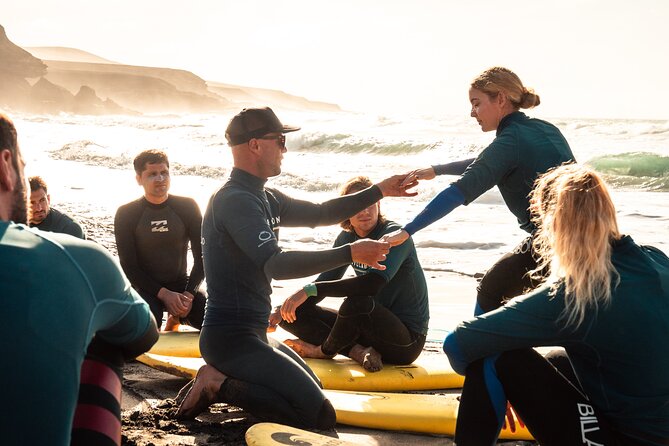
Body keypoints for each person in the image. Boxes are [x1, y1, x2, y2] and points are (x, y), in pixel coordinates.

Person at [175, 107, 418, 432]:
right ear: (255, 145)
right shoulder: (234, 200)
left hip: (253, 334)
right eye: (279, 140)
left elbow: (322, 213)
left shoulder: (265, 196)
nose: (285, 149)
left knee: (312, 391)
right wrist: (350, 252)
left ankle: (221, 379)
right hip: (230, 339)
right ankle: (217, 384)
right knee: (318, 416)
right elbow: (275, 262)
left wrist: (379, 191)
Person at [442, 164, 669, 445]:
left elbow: (457, 342)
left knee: (494, 356)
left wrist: (494, 384)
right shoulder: (658, 260)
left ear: (554, 223)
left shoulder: (577, 293)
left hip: (630, 440)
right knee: (557, 361)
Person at [0, 113, 159, 446]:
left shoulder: (68, 229)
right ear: (6, 166)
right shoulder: (78, 260)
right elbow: (142, 335)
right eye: (23, 166)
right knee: (105, 336)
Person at [384, 67, 576, 315]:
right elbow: (491, 160)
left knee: (491, 288)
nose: (472, 113)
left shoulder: (509, 142)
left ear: (501, 99)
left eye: (477, 103)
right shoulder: (544, 128)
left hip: (552, 242)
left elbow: (457, 192)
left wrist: (407, 230)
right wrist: (436, 170)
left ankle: (477, 347)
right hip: (583, 233)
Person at [270, 175, 429, 372]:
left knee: (356, 302)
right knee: (291, 313)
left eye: (370, 204)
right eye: (358, 205)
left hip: (406, 342)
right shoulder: (347, 238)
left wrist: (310, 290)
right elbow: (327, 280)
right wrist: (287, 306)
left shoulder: (393, 235)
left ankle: (324, 351)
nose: (365, 210)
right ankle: (358, 352)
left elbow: (372, 284)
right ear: (346, 209)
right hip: (368, 329)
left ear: (379, 204)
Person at [114, 149, 206, 331]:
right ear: (139, 179)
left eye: (164, 172)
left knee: (210, 319)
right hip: (145, 288)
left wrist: (189, 294)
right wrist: (164, 294)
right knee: (148, 324)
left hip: (181, 286)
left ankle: (176, 319)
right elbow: (128, 266)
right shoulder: (127, 213)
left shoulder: (187, 207)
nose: (160, 179)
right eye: (152, 174)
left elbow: (203, 258)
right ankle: (163, 317)